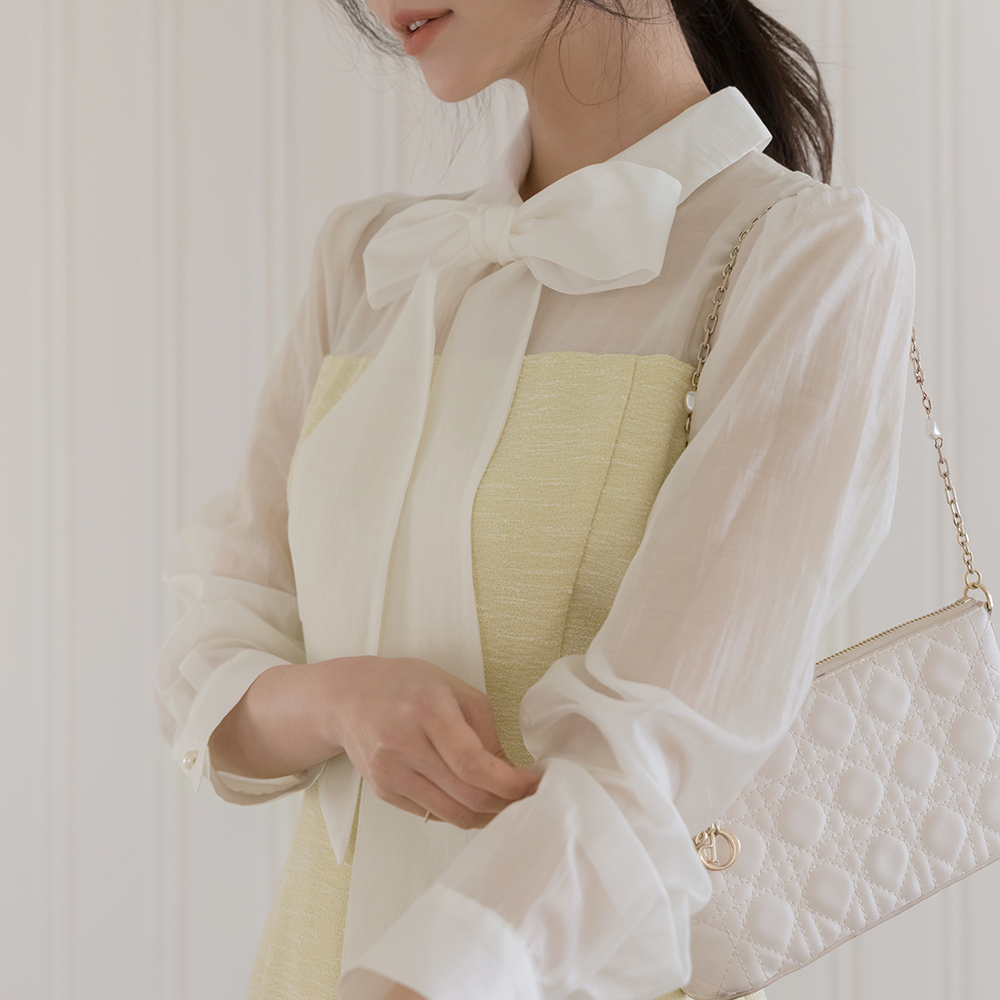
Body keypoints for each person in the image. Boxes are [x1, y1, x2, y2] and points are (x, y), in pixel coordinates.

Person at [152, 1, 916, 999]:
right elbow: (209, 657)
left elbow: (651, 754)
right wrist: (339, 701)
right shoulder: (370, 262)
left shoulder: (802, 257)